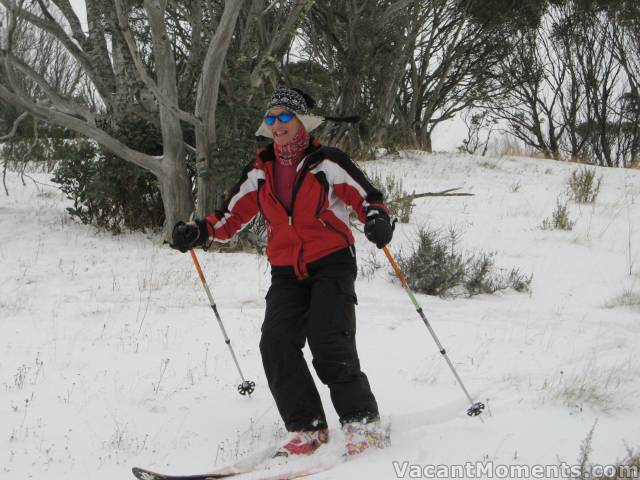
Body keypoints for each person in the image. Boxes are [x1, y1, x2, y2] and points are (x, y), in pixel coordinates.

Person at [171, 86, 394, 457]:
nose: (277, 124)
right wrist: (199, 231)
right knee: (275, 342)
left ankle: (361, 421)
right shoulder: (261, 172)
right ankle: (307, 427)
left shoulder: (328, 163)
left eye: (284, 117)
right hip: (286, 271)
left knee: (329, 341)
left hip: (331, 263)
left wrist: (377, 220)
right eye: (271, 118)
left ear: (301, 122)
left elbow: (369, 197)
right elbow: (229, 217)